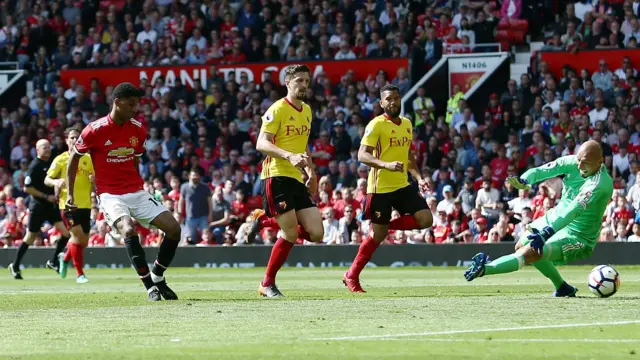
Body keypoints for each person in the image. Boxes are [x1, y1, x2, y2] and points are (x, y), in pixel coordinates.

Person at [66, 82, 182, 301]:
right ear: (117, 102)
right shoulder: (94, 129)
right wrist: (70, 193)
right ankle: (150, 287)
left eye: (136, 104)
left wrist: (138, 186)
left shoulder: (138, 129)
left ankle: (157, 275)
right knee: (128, 230)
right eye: (131, 104)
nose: (135, 109)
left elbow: (135, 161)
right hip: (109, 194)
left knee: (174, 229)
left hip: (135, 191)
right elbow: (74, 158)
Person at [465, 141, 613, 297]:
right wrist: (525, 180)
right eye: (579, 160)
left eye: (586, 163)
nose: (580, 166)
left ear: (600, 162)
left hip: (577, 235)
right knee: (520, 246)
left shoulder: (600, 184)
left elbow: (573, 210)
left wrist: (546, 233)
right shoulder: (573, 162)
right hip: (554, 217)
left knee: (530, 253)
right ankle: (562, 287)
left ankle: (486, 268)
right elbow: (543, 170)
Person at [343, 84, 433, 293]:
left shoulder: (407, 124)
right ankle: (352, 275)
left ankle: (386, 226)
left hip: (402, 184)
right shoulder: (376, 125)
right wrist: (385, 164)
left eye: (396, 98)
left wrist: (419, 178)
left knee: (426, 219)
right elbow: (362, 155)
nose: (393, 102)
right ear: (381, 103)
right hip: (379, 188)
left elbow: (408, 155)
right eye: (388, 99)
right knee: (377, 235)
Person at [255, 64, 324, 297]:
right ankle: (267, 283)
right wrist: (288, 155)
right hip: (276, 175)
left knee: (317, 234)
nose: (304, 85)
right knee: (291, 234)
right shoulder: (277, 109)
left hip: (296, 177)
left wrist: (312, 173)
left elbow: (303, 144)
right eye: (300, 81)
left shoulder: (306, 110)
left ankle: (264, 221)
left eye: (306, 81)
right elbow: (261, 143)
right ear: (288, 82)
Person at [8, 139, 71, 279]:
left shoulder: (51, 163)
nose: (48, 149)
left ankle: (53, 261)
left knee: (66, 234)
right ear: (37, 150)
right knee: (30, 237)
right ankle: (15, 265)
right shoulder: (34, 166)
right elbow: (27, 188)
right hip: (38, 206)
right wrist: (45, 196)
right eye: (44, 147)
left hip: (51, 206)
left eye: (48, 147)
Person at [45, 127, 94, 284]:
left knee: (84, 242)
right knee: (76, 237)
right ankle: (80, 274)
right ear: (66, 140)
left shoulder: (87, 158)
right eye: (71, 137)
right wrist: (55, 181)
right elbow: (47, 179)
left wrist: (94, 179)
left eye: (77, 137)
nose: (74, 140)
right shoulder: (60, 159)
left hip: (86, 204)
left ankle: (64, 258)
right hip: (67, 205)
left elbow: (95, 177)